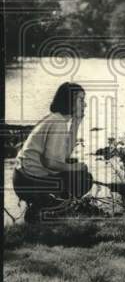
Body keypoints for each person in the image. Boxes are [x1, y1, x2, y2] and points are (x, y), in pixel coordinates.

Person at [13, 82, 93, 222]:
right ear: (70, 101)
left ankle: (49, 206)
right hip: (28, 181)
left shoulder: (57, 119)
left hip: (22, 178)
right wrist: (73, 168)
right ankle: (48, 208)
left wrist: (76, 123)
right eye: (81, 100)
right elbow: (50, 162)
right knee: (83, 178)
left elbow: (63, 156)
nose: (85, 105)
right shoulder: (58, 123)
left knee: (76, 170)